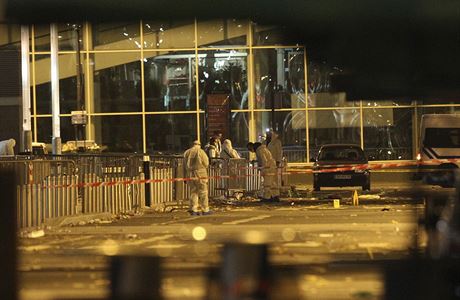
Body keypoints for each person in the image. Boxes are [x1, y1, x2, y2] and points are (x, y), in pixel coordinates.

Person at [184, 140, 211, 215]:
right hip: (201, 174)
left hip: (190, 174)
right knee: (203, 192)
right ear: (199, 145)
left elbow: (184, 165)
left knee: (193, 192)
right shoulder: (201, 152)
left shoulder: (187, 152)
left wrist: (185, 176)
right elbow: (206, 163)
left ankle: (193, 209)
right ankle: (205, 209)